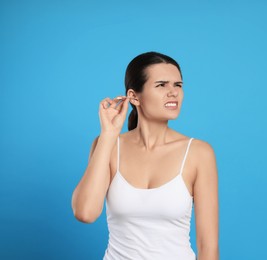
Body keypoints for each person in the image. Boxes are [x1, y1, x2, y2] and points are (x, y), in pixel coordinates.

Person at [71, 51, 219, 260]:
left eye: (178, 85)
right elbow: (85, 212)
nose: (173, 92)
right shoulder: (107, 145)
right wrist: (108, 135)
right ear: (133, 96)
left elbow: (208, 247)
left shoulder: (199, 153)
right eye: (161, 85)